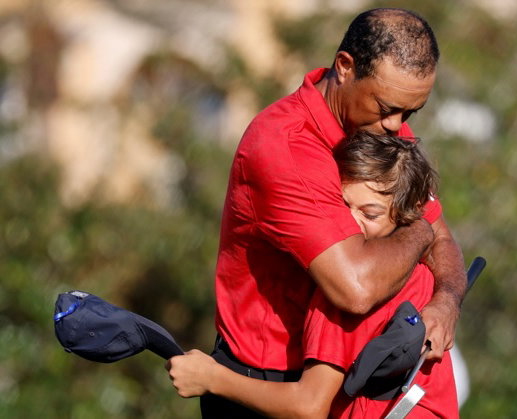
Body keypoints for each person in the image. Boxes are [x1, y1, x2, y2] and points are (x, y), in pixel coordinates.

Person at [186, 7, 467, 417]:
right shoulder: (283, 146)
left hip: (342, 385)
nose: (397, 127)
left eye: (410, 113)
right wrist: (423, 231)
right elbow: (356, 289)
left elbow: (445, 239)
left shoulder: (381, 130)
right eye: (387, 107)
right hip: (263, 387)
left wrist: (447, 301)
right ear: (345, 67)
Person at [168, 131, 458, 417]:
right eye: (343, 206)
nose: (351, 222)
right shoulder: (425, 275)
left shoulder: (344, 295)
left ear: (408, 213)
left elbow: (309, 407)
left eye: (370, 214)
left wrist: (212, 378)